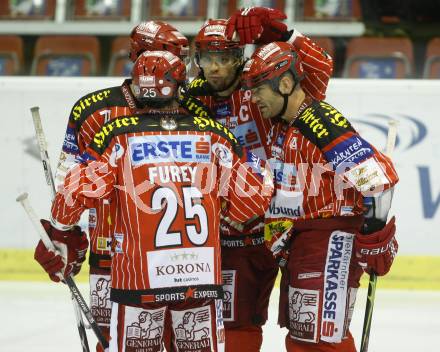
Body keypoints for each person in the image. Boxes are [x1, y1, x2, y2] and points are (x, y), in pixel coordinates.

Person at [34, 50, 273, 352]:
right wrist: (222, 208)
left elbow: (71, 195)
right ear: (180, 84)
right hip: (198, 281)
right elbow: (252, 200)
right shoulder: (215, 135)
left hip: (137, 283)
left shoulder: (115, 137)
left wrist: (60, 232)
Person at [33, 20, 195, 352]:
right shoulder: (92, 110)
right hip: (112, 255)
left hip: (181, 257)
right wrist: (64, 236)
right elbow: (70, 183)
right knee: (117, 344)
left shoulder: (189, 105)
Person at [186, 10, 333, 351]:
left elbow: (318, 72)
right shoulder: (191, 97)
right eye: (207, 58)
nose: (215, 67)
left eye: (224, 57)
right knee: (234, 323)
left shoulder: (264, 82)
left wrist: (287, 35)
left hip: (288, 226)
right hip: (236, 233)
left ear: (240, 58)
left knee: (307, 327)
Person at [241, 41, 399, 351]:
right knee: (304, 336)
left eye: (259, 89)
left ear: (285, 84)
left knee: (318, 340)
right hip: (304, 243)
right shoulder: (284, 122)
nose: (253, 97)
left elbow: (378, 180)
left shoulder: (320, 123)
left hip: (330, 242)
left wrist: (374, 236)